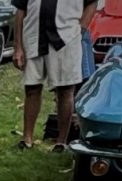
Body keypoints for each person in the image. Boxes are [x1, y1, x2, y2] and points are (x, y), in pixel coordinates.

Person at [12, 0, 98, 151]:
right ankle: (27, 139)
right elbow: (20, 9)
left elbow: (92, 2)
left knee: (65, 90)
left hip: (66, 40)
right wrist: (18, 46)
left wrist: (81, 28)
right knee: (31, 88)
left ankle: (61, 142)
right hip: (34, 37)